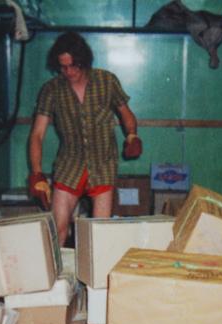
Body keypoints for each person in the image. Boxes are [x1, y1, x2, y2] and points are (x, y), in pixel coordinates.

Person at [28, 31, 142, 246]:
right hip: (69, 163)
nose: (69, 72)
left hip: (103, 163)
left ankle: (94, 270)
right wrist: (37, 173)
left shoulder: (107, 81)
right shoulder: (51, 90)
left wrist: (132, 135)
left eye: (74, 66)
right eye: (63, 67)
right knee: (58, 229)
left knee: (98, 234)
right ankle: (54, 269)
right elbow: (37, 134)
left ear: (84, 61)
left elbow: (126, 114)